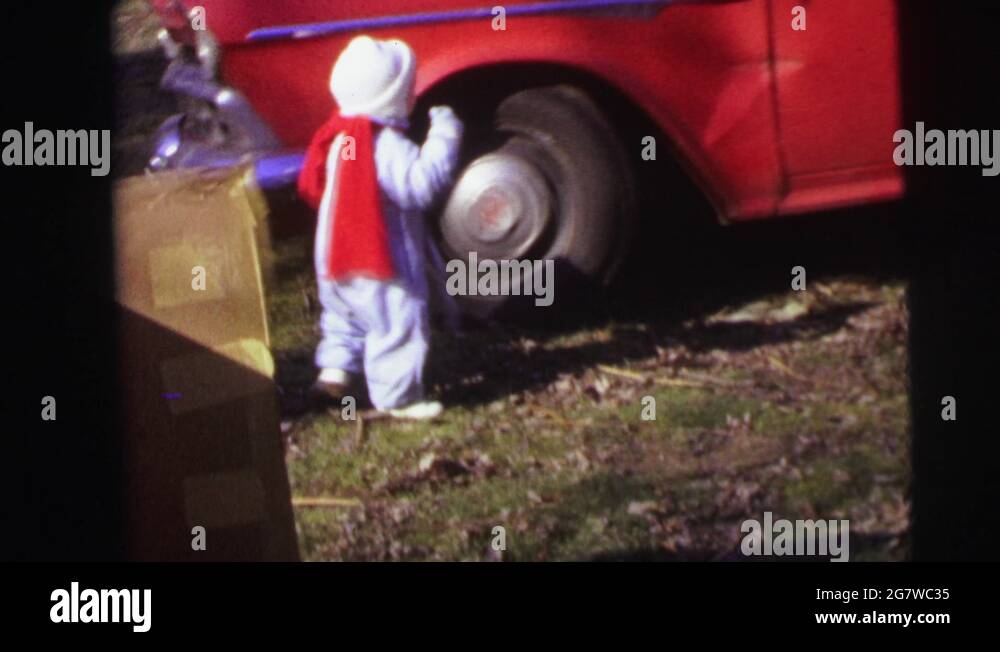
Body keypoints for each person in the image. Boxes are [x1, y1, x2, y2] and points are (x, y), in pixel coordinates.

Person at [297, 35, 463, 419]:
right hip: (374, 257)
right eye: (408, 88)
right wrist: (444, 134)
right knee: (396, 317)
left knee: (346, 316)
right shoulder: (383, 143)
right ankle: (398, 398)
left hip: (334, 258)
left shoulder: (340, 136)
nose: (413, 95)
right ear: (390, 96)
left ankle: (334, 374)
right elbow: (420, 184)